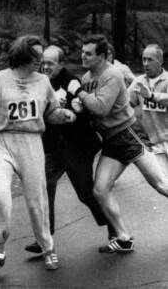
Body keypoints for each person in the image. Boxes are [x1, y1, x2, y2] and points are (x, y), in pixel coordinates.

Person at [0, 35, 76, 271]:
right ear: (22, 55)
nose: (41, 61)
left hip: (32, 142)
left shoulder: (43, 81)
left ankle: (48, 248)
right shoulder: (1, 79)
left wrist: (63, 115)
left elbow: (51, 113)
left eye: (42, 56)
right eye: (36, 56)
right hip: (4, 142)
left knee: (37, 200)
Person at [68, 34, 168, 253]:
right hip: (111, 140)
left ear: (102, 56)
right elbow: (91, 110)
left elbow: (102, 107)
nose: (82, 56)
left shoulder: (112, 74)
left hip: (128, 133)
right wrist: (78, 105)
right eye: (82, 52)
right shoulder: (86, 78)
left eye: (88, 53)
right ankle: (123, 237)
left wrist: (78, 93)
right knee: (100, 189)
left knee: (161, 184)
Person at [25, 45, 117, 256]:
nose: (45, 66)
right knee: (43, 185)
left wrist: (76, 109)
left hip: (76, 147)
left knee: (85, 193)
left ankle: (115, 229)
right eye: (43, 62)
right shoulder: (38, 81)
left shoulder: (72, 82)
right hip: (52, 147)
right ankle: (44, 240)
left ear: (61, 64)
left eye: (50, 63)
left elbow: (90, 115)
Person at [129, 44, 168, 176]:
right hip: (154, 144)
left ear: (160, 61)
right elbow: (125, 106)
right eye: (143, 59)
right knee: (165, 184)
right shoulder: (139, 82)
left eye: (150, 60)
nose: (145, 64)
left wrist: (151, 96)